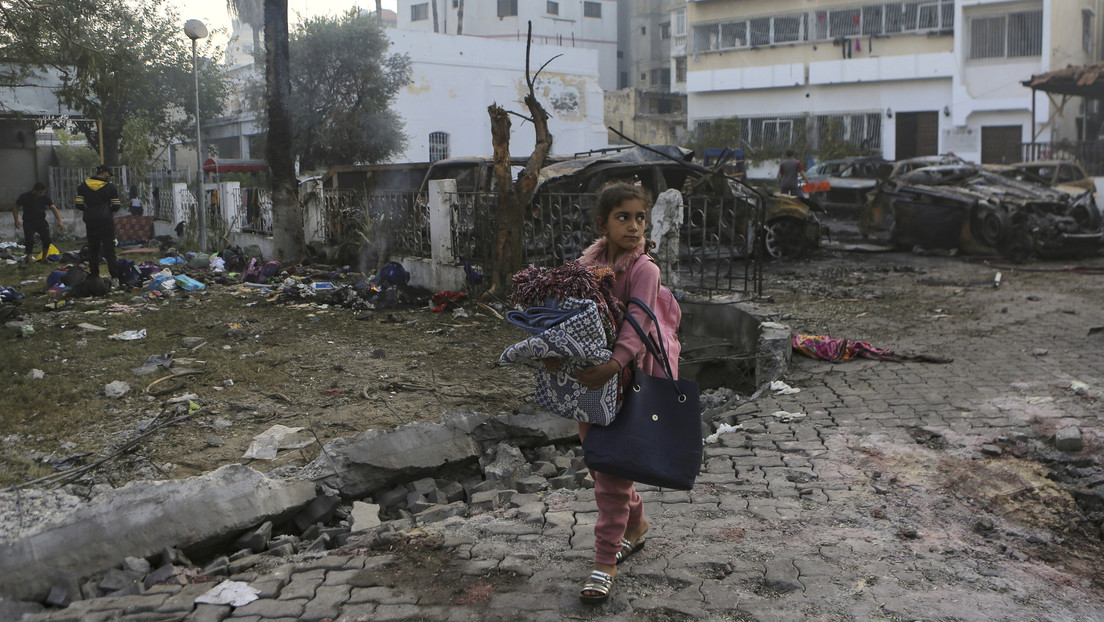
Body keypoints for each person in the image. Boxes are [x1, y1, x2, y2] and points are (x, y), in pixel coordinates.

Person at [563, 183, 667, 604]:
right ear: (602, 223)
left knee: (611, 474)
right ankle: (637, 525)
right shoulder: (585, 266)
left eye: (640, 217)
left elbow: (638, 323)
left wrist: (614, 364)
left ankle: (605, 560)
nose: (633, 225)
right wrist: (557, 354)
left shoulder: (645, 270)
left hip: (627, 381)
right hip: (590, 383)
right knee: (601, 462)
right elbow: (568, 318)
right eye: (622, 217)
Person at [75, 164, 122, 284]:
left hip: (91, 221)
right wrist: (107, 212)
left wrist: (89, 211)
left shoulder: (84, 185)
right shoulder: (110, 187)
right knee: (109, 249)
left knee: (93, 249)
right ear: (105, 173)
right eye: (108, 174)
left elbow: (79, 204)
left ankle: (94, 275)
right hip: (106, 221)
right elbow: (116, 205)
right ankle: (115, 277)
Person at [13, 182, 63, 262]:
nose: (42, 194)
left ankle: (44, 258)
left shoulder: (45, 198)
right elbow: (15, 207)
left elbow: (53, 208)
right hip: (28, 222)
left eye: (43, 192)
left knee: (47, 239)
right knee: (29, 240)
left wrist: (59, 221)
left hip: (41, 221)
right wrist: (16, 220)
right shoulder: (25, 197)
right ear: (34, 190)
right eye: (40, 192)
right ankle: (29, 259)